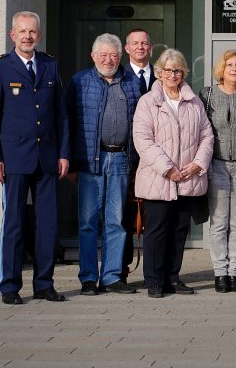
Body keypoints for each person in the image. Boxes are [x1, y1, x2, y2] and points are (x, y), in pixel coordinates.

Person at [0, 11, 69, 305]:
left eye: (32, 32)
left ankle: (44, 284)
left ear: (38, 35)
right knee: (14, 224)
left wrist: (64, 154)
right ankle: (9, 286)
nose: (28, 36)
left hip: (46, 159)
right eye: (22, 32)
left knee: (47, 225)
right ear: (12, 35)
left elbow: (60, 116)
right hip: (13, 159)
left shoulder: (50, 65)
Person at [132, 48, 213, 298]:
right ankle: (154, 280)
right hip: (160, 178)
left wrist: (198, 164)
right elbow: (142, 139)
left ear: (183, 72)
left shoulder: (194, 101)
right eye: (168, 70)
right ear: (159, 72)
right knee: (157, 231)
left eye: (177, 70)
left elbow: (206, 135)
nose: (173, 74)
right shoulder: (148, 101)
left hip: (188, 178)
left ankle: (172, 278)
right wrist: (168, 169)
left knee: (179, 230)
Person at [65, 33, 141, 296]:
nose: (109, 59)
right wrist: (71, 162)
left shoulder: (132, 82)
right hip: (89, 160)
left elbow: (140, 125)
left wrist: (137, 163)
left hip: (121, 159)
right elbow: (68, 123)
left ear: (120, 57)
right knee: (88, 221)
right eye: (103, 54)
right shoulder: (80, 81)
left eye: (113, 55)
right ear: (93, 56)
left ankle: (111, 277)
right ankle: (88, 278)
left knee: (116, 221)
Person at [200, 50, 236, 293]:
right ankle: (219, 273)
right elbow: (201, 132)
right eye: (230, 65)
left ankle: (234, 272)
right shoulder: (207, 94)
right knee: (219, 222)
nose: (235, 69)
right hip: (217, 164)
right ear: (221, 69)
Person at [121, 27, 155, 282]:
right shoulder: (118, 77)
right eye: (135, 43)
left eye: (144, 43)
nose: (140, 47)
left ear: (150, 47)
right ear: (127, 49)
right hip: (127, 157)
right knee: (123, 216)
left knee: (153, 217)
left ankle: (154, 272)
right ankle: (120, 269)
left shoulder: (163, 77)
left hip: (156, 158)